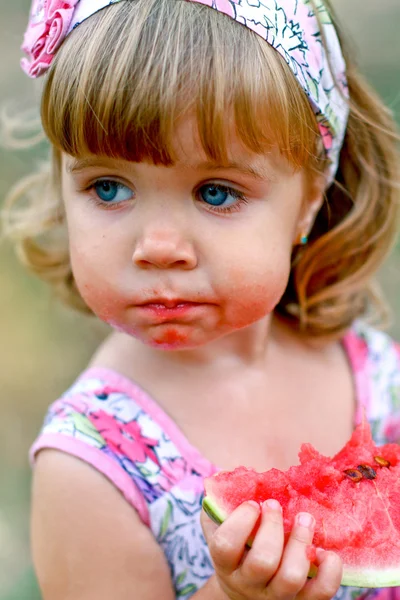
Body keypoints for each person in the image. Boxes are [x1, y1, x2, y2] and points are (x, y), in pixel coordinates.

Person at [3, 0, 400, 598]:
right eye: (107, 186)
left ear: (310, 198)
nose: (158, 248)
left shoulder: (378, 372)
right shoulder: (90, 467)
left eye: (216, 192)